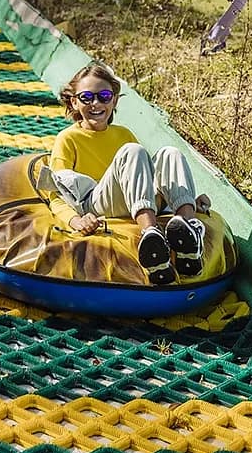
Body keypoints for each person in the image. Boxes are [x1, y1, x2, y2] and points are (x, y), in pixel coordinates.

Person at [41, 62, 210, 286]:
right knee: (133, 151)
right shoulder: (68, 138)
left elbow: (144, 178)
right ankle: (151, 235)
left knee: (170, 153)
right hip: (98, 202)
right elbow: (57, 190)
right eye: (86, 97)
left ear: (115, 100)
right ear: (74, 101)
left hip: (132, 200)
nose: (96, 104)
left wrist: (186, 198)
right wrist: (75, 220)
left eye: (103, 96)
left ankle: (189, 231)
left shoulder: (124, 133)